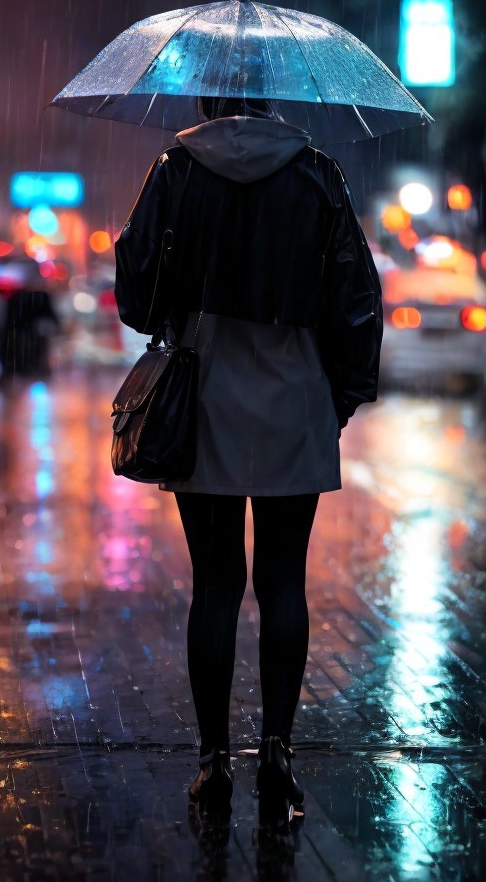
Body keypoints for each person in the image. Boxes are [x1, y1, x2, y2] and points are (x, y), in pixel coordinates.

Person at [114, 96, 382, 823]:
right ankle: (278, 754)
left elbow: (135, 293)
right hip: (295, 394)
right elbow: (357, 298)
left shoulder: (175, 169)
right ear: (269, 96)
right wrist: (344, 394)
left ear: (208, 98)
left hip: (203, 397)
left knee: (216, 585)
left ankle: (213, 762)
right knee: (283, 583)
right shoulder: (318, 174)